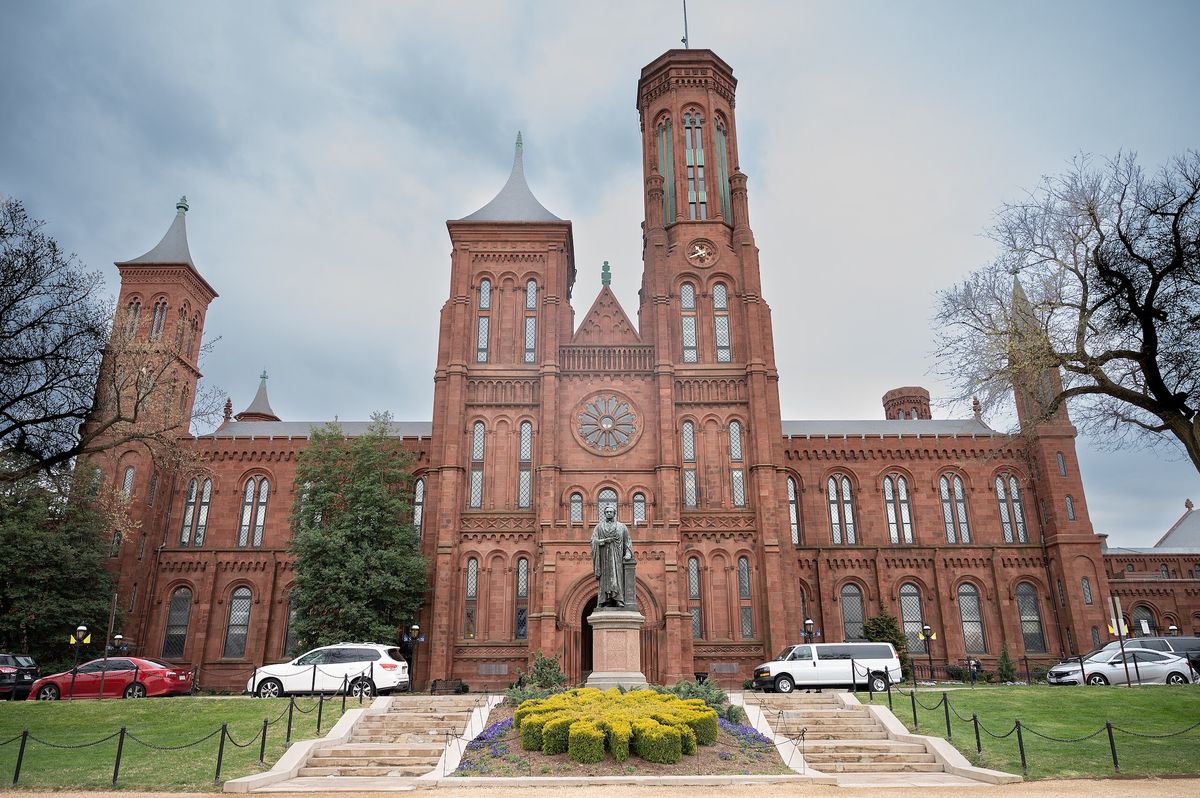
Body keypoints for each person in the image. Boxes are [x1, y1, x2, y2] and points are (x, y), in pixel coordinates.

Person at [591, 505, 633, 607]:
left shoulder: (622, 527)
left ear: (614, 513)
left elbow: (627, 541)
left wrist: (628, 553)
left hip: (617, 557)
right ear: (604, 514)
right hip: (604, 557)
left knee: (617, 577)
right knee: (605, 579)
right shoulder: (599, 527)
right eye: (607, 512)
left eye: (611, 512)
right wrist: (604, 541)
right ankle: (607, 600)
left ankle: (619, 599)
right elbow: (593, 541)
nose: (609, 513)